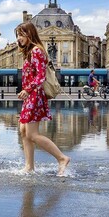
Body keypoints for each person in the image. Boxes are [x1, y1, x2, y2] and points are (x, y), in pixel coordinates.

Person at [15, 21, 71, 176]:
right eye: (18, 35)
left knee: (32, 134)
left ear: (30, 34)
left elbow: (40, 76)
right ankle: (29, 166)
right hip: (30, 95)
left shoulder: (36, 51)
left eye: (21, 34)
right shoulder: (29, 52)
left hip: (35, 95)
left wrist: (28, 89)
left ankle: (62, 158)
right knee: (23, 130)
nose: (18, 38)